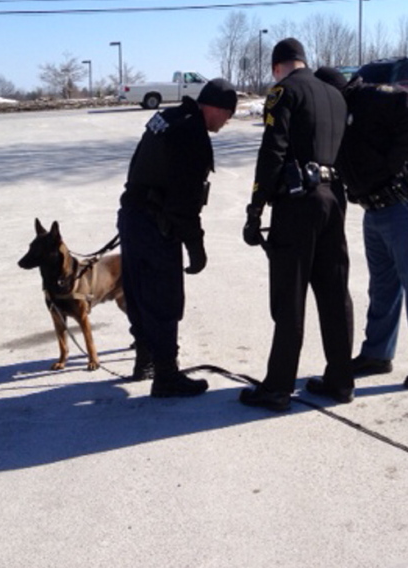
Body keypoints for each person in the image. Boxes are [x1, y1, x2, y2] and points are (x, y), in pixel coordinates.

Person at [314, 66, 408, 389]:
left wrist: (390, 164)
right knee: (382, 287)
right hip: (374, 208)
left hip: (404, 201)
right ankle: (378, 353)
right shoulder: (339, 114)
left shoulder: (370, 98)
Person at [240, 39, 354, 412]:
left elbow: (272, 150)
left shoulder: (283, 93)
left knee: (289, 297)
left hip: (298, 203)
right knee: (335, 292)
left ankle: (277, 388)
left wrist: (255, 209)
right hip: (334, 199)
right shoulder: (334, 95)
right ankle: (341, 380)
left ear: (277, 67)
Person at [118, 77, 237, 397]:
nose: (227, 122)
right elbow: (185, 204)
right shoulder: (192, 134)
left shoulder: (168, 118)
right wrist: (196, 248)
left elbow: (138, 165)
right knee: (164, 299)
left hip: (132, 216)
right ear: (215, 108)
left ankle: (145, 360)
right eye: (228, 115)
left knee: (138, 292)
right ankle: (166, 375)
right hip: (157, 224)